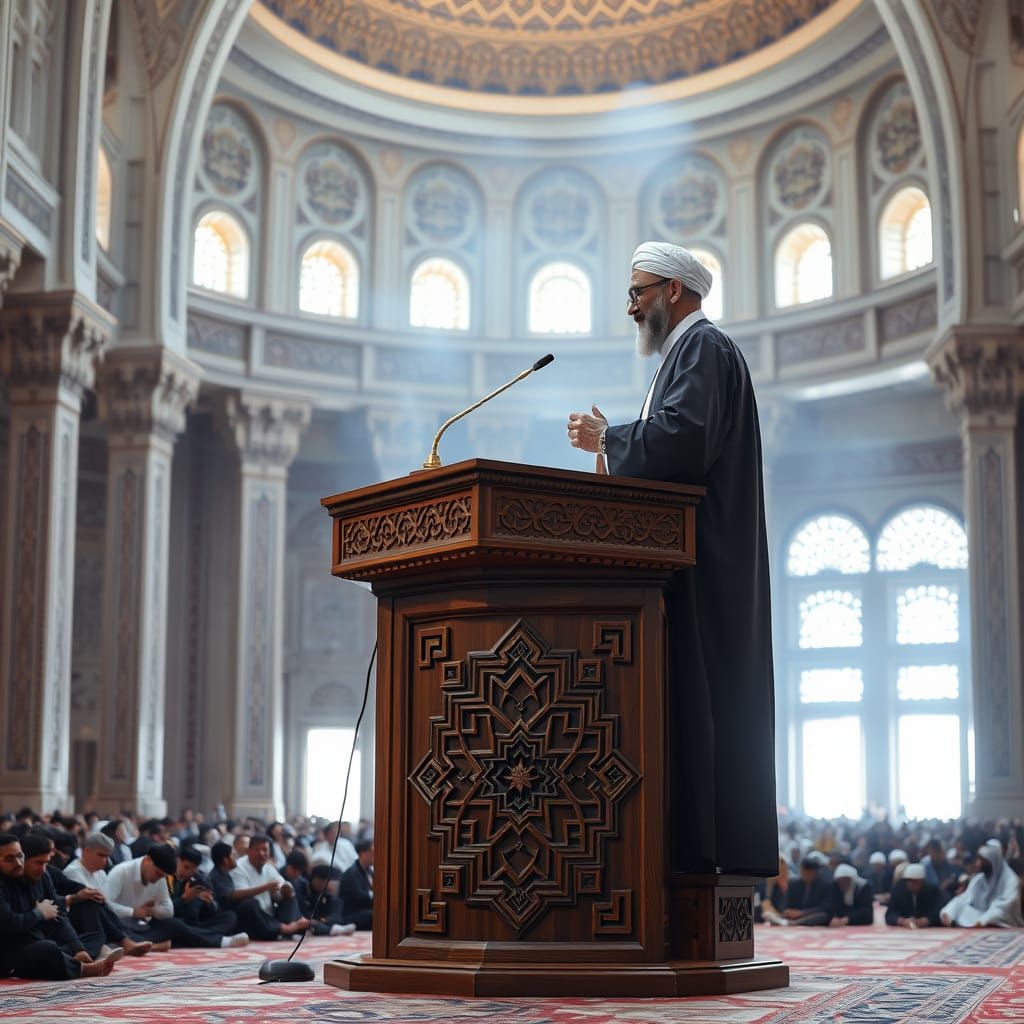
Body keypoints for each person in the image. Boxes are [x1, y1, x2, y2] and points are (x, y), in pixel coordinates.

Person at [565, 241, 776, 875]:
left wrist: (609, 438)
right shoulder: (685, 353)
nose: (630, 307)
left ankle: (698, 864)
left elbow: (685, 441)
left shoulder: (704, 347)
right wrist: (617, 453)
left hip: (705, 562)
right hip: (688, 558)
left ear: (674, 292)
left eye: (638, 292)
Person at [0, 832, 120, 979]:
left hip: (39, 939)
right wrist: (39, 914)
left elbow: (60, 913)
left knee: (96, 936)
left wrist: (78, 949)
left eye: (20, 856)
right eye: (10, 859)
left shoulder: (42, 877)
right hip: (10, 950)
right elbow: (8, 924)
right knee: (47, 949)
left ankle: (69, 958)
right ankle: (82, 969)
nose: (18, 863)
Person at [62, 832, 153, 956]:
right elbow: (93, 899)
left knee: (113, 912)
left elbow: (108, 902)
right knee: (93, 903)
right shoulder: (73, 872)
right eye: (101, 855)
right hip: (79, 921)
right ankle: (125, 942)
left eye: (107, 856)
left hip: (101, 918)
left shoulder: (101, 874)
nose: (104, 860)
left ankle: (126, 941)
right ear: (86, 851)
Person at [228, 834, 309, 940]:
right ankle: (285, 930)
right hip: (251, 919)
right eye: (257, 850)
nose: (262, 853)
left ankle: (288, 928)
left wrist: (286, 890)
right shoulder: (238, 867)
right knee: (249, 904)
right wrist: (265, 887)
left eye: (265, 850)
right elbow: (239, 894)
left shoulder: (269, 868)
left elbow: (281, 888)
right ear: (249, 851)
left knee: (290, 895)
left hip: (270, 915)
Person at [941, 844, 1024, 928]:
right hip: (980, 915)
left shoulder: (1011, 880)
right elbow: (964, 898)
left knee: (997, 915)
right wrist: (948, 912)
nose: (978, 863)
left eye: (982, 860)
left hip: (1000, 919)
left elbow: (1005, 906)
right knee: (962, 908)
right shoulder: (978, 879)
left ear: (992, 861)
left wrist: (983, 920)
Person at [763, 856, 829, 926]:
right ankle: (785, 922)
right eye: (806, 873)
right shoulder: (793, 884)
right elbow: (785, 904)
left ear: (816, 873)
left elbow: (824, 907)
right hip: (792, 916)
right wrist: (787, 911)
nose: (808, 876)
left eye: (811, 873)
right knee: (768, 915)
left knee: (823, 916)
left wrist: (802, 912)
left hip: (810, 916)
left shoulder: (823, 885)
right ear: (801, 870)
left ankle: (793, 923)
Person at [886, 863, 943, 928]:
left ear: (922, 881)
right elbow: (890, 914)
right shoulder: (899, 890)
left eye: (914, 881)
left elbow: (939, 912)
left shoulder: (933, 891)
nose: (910, 884)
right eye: (908, 880)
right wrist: (902, 921)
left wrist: (928, 920)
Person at [338, 839, 374, 931]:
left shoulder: (369, 871)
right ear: (362, 853)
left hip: (365, 910)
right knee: (377, 915)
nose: (376, 855)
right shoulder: (352, 873)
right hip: (352, 913)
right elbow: (359, 897)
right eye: (372, 852)